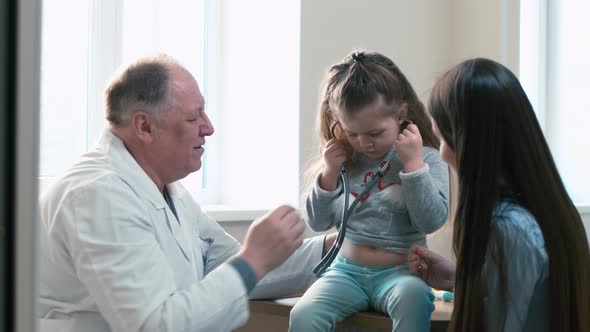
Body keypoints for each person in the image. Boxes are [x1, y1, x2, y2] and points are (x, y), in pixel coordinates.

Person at [38, 54, 332, 332]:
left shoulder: (167, 190)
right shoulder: (96, 195)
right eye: (194, 117)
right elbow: (154, 325)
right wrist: (253, 259)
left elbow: (227, 266)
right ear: (144, 126)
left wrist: (340, 247)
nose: (209, 128)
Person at [409, 58, 590, 331]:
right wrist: (462, 279)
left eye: (444, 138)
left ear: (470, 142)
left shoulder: (508, 228)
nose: (443, 153)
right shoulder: (544, 214)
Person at [289, 51, 450, 332]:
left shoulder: (426, 158)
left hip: (402, 273)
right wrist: (327, 175)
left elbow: (431, 220)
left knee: (414, 300)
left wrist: (413, 166)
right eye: (352, 133)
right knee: (304, 314)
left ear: (401, 113)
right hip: (345, 272)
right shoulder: (342, 159)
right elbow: (317, 222)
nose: (364, 143)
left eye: (374, 133)